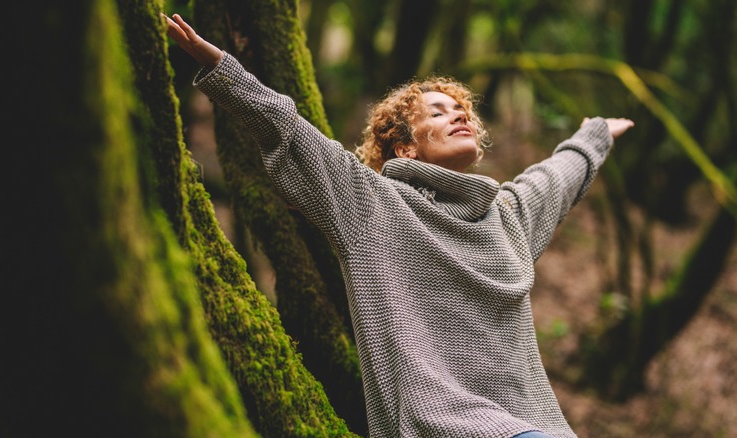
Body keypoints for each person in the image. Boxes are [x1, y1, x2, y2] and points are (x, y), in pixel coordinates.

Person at [165, 13, 634, 438]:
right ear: (405, 148)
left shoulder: (505, 217)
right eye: (437, 112)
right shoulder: (374, 207)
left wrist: (593, 137)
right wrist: (224, 70)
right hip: (441, 424)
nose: (458, 116)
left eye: (462, 112)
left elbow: (553, 179)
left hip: (533, 425)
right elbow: (292, 134)